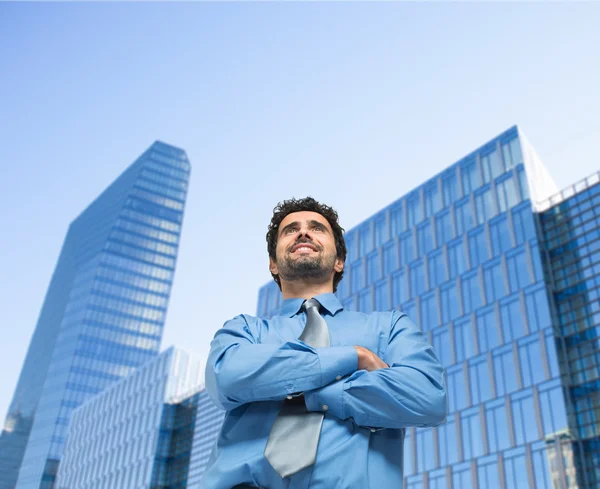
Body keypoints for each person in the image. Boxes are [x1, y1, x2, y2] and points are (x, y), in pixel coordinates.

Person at [202, 197, 447, 489]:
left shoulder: (389, 327)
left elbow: (427, 397)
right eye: (290, 230)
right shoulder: (245, 329)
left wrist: (306, 391)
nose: (303, 233)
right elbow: (227, 377)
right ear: (273, 265)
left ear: (339, 261)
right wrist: (353, 358)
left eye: (317, 228)